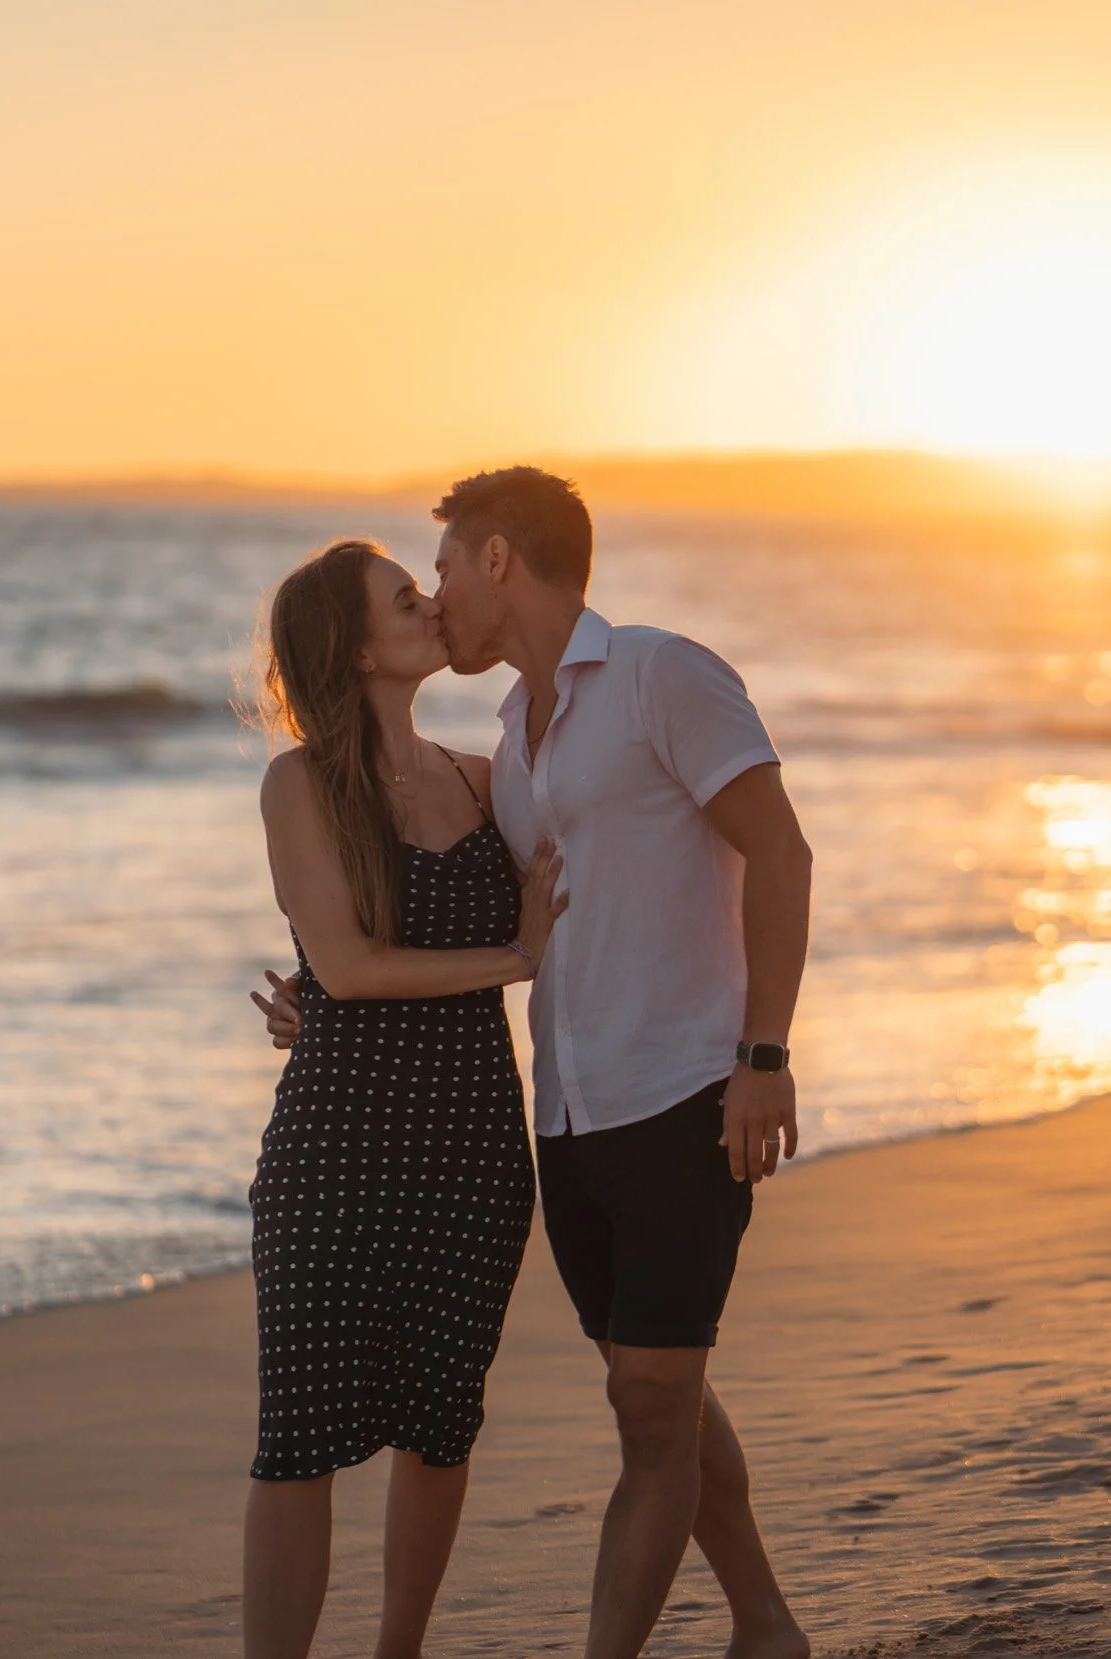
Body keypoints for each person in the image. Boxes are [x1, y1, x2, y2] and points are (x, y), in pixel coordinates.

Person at [258, 470, 814, 1659]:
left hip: (676, 1093)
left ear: (497, 560)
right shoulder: (508, 745)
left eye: (440, 569)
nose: (437, 594)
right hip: (559, 1119)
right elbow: (438, 920)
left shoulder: (660, 675)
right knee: (650, 1383)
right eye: (411, 588)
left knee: (645, 1398)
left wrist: (765, 1051)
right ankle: (764, 1620)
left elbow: (780, 850)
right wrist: (331, 992)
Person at [241, 538, 569, 1659]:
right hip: (336, 1150)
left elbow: (587, 899)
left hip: (472, 1150)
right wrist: (513, 957)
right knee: (300, 1435)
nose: (431, 604)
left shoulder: (484, 778)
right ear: (353, 645)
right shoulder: (300, 783)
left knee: (440, 1425)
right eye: (403, 597)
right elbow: (349, 967)